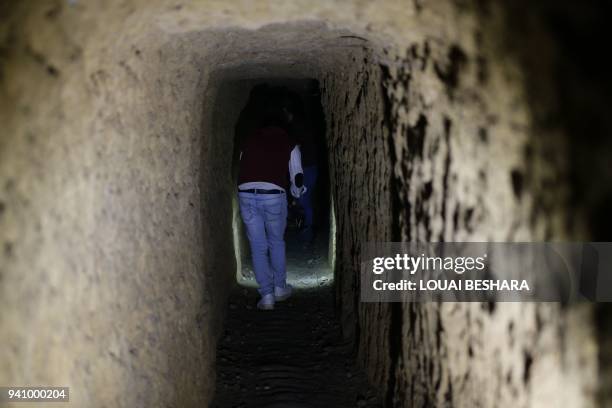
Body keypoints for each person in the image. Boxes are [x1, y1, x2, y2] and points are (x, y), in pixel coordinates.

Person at [237, 102, 306, 310]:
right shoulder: (289, 141)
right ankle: (279, 288)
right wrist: (296, 193)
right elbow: (298, 176)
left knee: (258, 246)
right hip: (273, 194)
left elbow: (243, 163)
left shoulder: (249, 139)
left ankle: (266, 295)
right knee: (276, 241)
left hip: (246, 193)